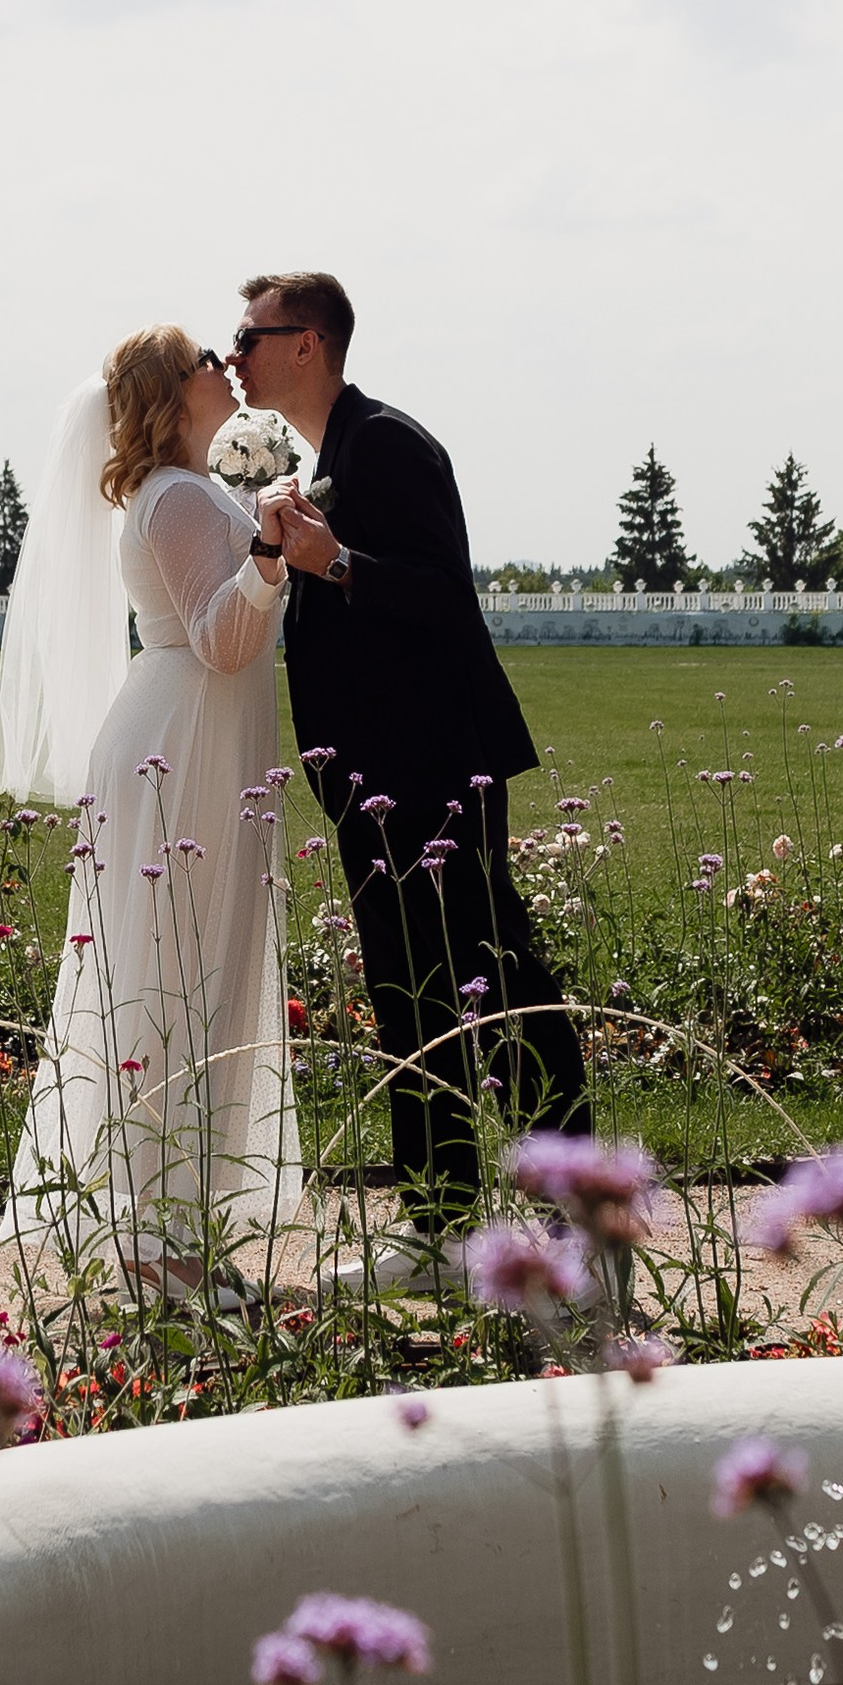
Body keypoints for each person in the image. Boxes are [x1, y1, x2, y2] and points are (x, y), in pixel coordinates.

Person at [231, 270, 590, 1221]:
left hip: (432, 766)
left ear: (307, 342)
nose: (235, 357)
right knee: (410, 996)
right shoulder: (330, 454)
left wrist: (334, 561)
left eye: (250, 337)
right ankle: (441, 1217)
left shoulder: (386, 443)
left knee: (494, 981)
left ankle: (576, 1213)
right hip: (374, 775)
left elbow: (441, 597)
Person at [0, 327, 299, 1296]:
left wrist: (262, 541)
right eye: (206, 353)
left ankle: (177, 1230)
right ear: (173, 388)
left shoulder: (190, 488)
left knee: (198, 976)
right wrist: (267, 547)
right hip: (184, 744)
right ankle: (151, 1242)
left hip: (203, 739)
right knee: (173, 977)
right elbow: (219, 638)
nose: (224, 363)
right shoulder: (171, 497)